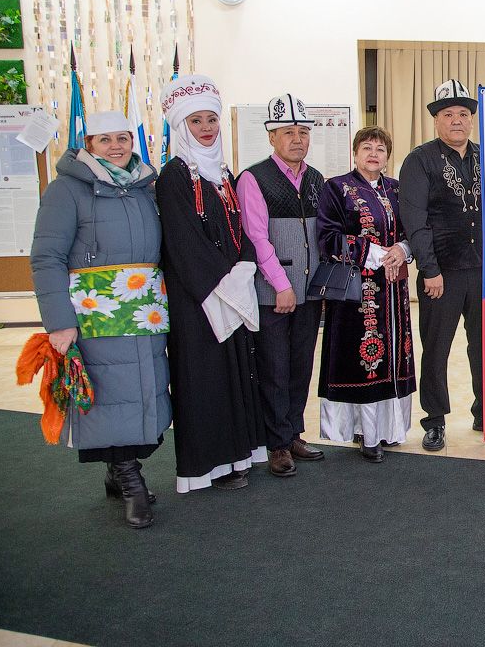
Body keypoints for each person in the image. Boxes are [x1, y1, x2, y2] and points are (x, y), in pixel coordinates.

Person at [29, 111, 171, 528]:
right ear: (88, 145)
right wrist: (59, 321)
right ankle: (130, 480)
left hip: (143, 311)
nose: (115, 146)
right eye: (104, 139)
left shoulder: (146, 187)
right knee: (110, 396)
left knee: (142, 394)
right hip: (95, 315)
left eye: (122, 138)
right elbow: (46, 257)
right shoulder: (66, 190)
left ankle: (117, 469)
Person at [156, 74, 267, 492]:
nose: (206, 128)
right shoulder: (173, 176)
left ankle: (238, 456)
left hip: (231, 289)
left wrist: (245, 266)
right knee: (205, 379)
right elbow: (183, 242)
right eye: (196, 121)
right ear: (181, 126)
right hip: (199, 298)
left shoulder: (222, 174)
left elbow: (241, 231)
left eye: (211, 119)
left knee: (236, 374)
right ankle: (209, 465)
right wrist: (225, 280)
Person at [236, 93, 326, 478]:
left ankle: (293, 433)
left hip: (310, 292)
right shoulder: (253, 178)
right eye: (288, 132)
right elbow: (257, 238)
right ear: (271, 137)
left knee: (300, 365)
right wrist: (281, 285)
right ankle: (276, 444)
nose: (297, 139)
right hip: (273, 293)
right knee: (274, 368)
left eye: (303, 132)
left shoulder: (316, 178)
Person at [317, 126, 416, 462]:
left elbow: (413, 230)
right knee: (364, 361)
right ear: (355, 152)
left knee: (393, 357)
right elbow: (328, 238)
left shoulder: (397, 190)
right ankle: (367, 433)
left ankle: (390, 429)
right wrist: (374, 253)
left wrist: (402, 249)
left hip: (394, 289)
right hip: (357, 294)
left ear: (388, 156)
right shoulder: (336, 188)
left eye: (380, 149)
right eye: (367, 148)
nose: (374, 154)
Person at [399, 80, 482, 451]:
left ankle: (484, 412)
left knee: (482, 347)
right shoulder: (419, 160)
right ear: (436, 120)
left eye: (463, 114)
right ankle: (434, 421)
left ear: (471, 119)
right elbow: (414, 220)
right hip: (441, 274)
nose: (457, 120)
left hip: (482, 272)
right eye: (448, 114)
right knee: (436, 349)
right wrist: (429, 269)